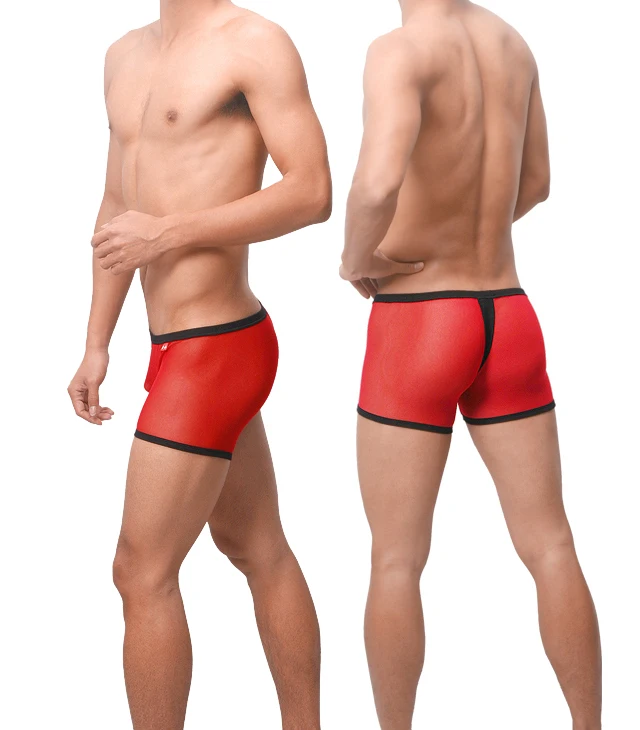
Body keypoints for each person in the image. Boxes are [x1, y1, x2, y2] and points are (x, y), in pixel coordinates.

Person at [67, 1, 331, 728]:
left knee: (139, 570)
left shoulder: (255, 43)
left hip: (218, 344)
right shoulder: (124, 53)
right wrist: (97, 340)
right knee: (257, 546)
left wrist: (171, 233)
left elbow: (312, 190)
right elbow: (118, 203)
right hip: (170, 346)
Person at [340, 1, 601, 729]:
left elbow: (375, 185)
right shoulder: (511, 43)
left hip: (420, 319)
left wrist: (355, 260)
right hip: (508, 313)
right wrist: (467, 229)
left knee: (396, 559)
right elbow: (537, 181)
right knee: (551, 543)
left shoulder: (399, 50)